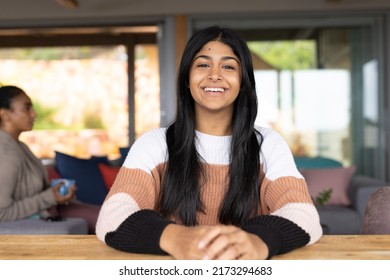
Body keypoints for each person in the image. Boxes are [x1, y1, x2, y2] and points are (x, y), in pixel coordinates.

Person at [96, 25, 322, 259]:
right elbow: (113, 215)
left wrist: (257, 241)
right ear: (186, 79)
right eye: (203, 64)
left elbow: (304, 214)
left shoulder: (267, 144)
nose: (215, 74)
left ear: (243, 81)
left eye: (228, 66)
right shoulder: (155, 144)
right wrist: (176, 238)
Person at [0, 85, 99, 233]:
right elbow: (2, 213)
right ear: (5, 115)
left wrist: (57, 194)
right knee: (111, 220)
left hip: (52, 209)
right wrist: (50, 197)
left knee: (113, 215)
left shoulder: (20, 146)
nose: (34, 114)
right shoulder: (5, 152)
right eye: (26, 108)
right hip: (42, 214)